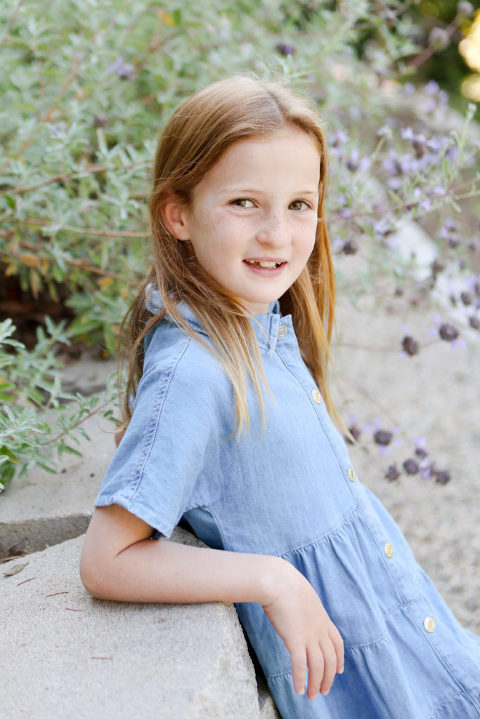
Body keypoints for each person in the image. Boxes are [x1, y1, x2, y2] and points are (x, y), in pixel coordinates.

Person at [80, 75, 480, 718]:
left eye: (300, 204)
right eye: (244, 202)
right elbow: (108, 558)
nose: (277, 233)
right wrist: (270, 577)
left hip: (420, 657)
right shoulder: (195, 373)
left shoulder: (257, 328)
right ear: (176, 213)